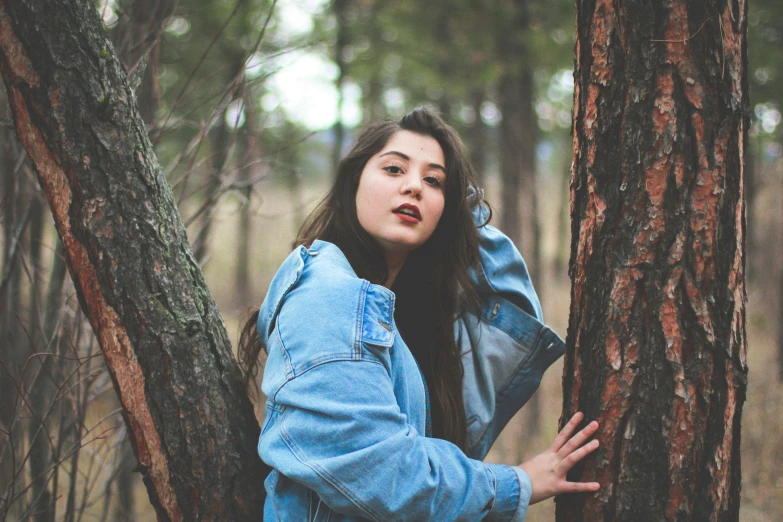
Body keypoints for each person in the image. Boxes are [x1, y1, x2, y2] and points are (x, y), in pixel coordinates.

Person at [238, 106, 600, 521]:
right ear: (353, 182)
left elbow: (512, 313)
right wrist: (516, 484)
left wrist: (461, 205)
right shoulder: (329, 298)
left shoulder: (400, 316)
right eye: (394, 170)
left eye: (433, 181)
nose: (414, 187)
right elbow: (383, 475)